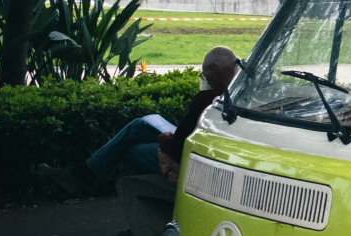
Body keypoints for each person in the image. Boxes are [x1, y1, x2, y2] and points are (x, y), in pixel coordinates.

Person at [41, 46, 240, 193]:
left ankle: (142, 216)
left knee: (131, 152)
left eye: (205, 72)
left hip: (192, 163)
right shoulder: (239, 97)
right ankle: (80, 173)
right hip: (205, 155)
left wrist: (165, 139)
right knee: (138, 126)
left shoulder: (206, 99)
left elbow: (177, 149)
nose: (204, 77)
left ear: (213, 70)